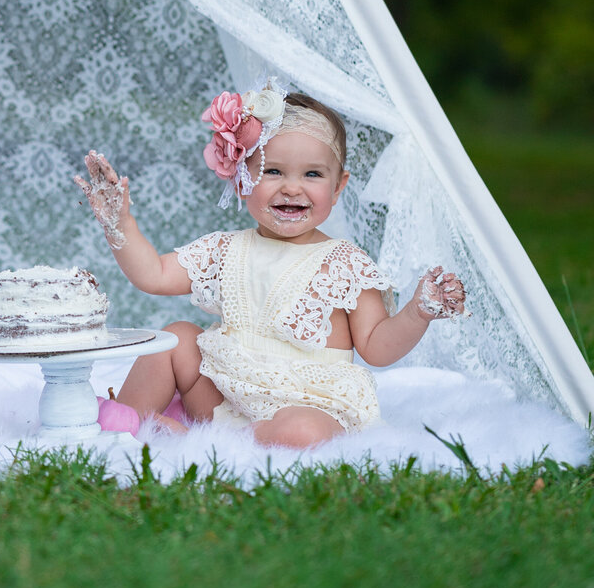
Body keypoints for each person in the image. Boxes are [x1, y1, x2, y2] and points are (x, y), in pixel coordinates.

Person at [74, 88, 467, 449]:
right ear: (242, 179)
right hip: (227, 394)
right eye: (273, 171)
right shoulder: (227, 249)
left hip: (310, 405)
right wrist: (120, 224)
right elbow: (154, 275)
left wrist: (417, 313)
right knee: (175, 339)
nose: (292, 187)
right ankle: (128, 421)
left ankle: (213, 437)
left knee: (303, 431)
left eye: (312, 174)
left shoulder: (345, 263)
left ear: (339, 186)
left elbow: (378, 347)